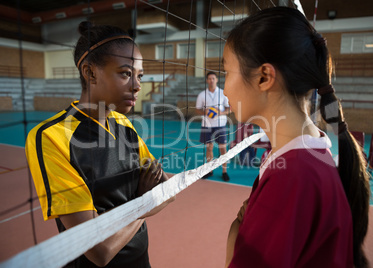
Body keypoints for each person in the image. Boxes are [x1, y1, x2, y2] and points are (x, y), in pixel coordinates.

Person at [223, 7, 370, 268]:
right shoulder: (307, 156)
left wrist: (237, 229)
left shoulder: (292, 177)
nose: (224, 89)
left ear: (264, 77)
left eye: (226, 72)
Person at [25, 21, 174, 268]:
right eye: (126, 73)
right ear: (90, 72)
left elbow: (166, 191)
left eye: (139, 76)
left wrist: (141, 203)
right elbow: (99, 250)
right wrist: (142, 202)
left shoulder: (124, 123)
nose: (137, 86)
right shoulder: (51, 136)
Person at [196, 71, 231, 181]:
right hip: (207, 125)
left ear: (216, 80)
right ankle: (209, 170)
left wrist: (220, 113)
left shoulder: (223, 93)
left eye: (213, 78)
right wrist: (205, 112)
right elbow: (197, 109)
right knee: (209, 148)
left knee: (223, 148)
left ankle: (224, 171)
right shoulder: (202, 94)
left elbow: (229, 109)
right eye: (209, 78)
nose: (211, 80)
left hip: (220, 124)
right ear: (207, 80)